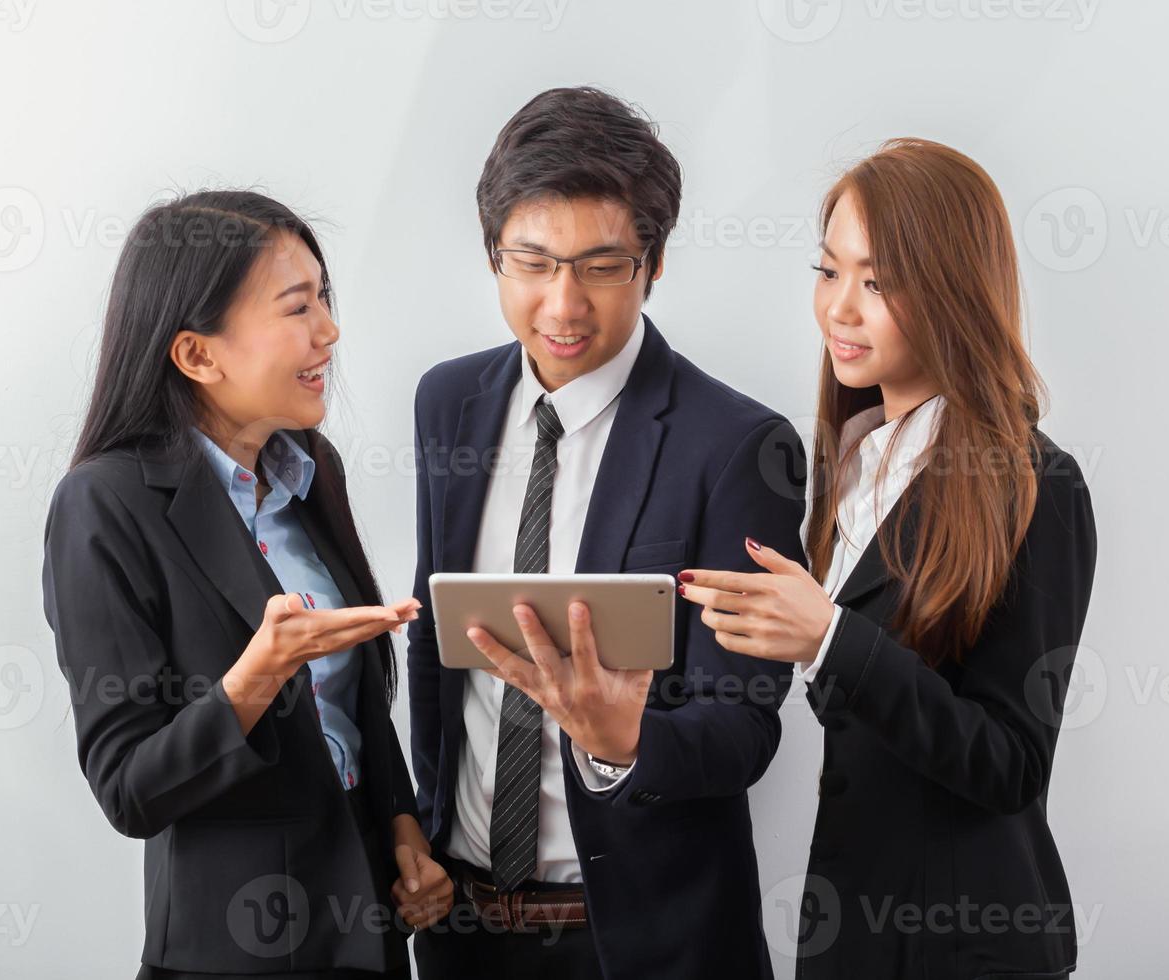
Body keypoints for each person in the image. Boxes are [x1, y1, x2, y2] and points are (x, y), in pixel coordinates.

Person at [404, 87, 807, 979]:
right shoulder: (449, 402)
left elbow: (746, 727)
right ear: (493, 254)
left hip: (642, 941)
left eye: (601, 266)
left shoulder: (738, 447)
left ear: (653, 264)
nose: (562, 305)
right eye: (533, 262)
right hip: (462, 930)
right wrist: (421, 827)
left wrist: (626, 739)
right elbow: (437, 654)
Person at [678, 138, 1098, 979]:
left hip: (967, 947)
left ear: (954, 291)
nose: (840, 307)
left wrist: (831, 638)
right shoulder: (854, 459)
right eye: (829, 271)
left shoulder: (1035, 483)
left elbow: (1010, 762)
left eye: (879, 282)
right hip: (855, 934)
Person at [41, 190, 453, 979]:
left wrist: (403, 828)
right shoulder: (105, 504)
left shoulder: (310, 469)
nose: (329, 332)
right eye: (298, 308)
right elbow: (131, 788)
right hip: (232, 956)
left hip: (368, 940)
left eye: (325, 300)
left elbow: (354, 708)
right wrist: (255, 677)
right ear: (198, 354)